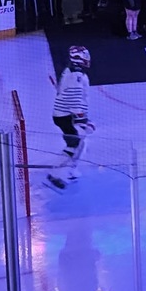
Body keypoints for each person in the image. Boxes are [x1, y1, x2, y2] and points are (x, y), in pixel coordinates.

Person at [47, 45, 93, 189]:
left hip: (64, 114)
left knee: (78, 143)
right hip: (67, 116)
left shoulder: (73, 72)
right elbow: (74, 99)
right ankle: (56, 173)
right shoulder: (76, 75)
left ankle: (69, 171)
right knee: (76, 144)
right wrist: (82, 120)